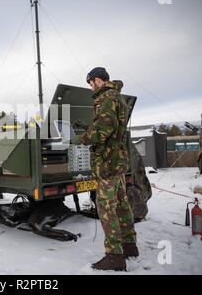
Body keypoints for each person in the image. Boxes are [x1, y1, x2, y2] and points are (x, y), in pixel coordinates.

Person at [73, 67, 139, 271]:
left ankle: (114, 255)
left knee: (106, 207)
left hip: (107, 163)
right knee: (121, 203)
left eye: (91, 82)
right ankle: (129, 246)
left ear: (98, 80)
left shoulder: (106, 98)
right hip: (116, 160)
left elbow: (103, 130)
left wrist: (81, 139)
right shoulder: (118, 97)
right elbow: (111, 128)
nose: (91, 87)